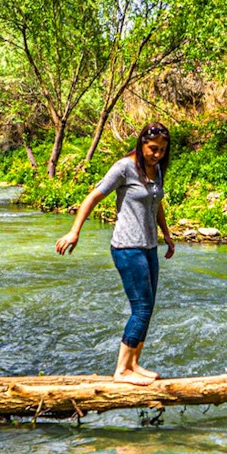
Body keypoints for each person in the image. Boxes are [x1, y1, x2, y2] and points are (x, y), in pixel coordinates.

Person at [55, 123, 175, 386]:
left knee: (148, 308)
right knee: (141, 308)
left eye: (162, 150)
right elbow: (91, 198)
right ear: (141, 143)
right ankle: (121, 371)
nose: (157, 154)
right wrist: (74, 232)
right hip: (127, 247)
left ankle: (134, 364)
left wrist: (166, 234)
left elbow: (157, 203)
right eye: (153, 149)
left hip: (149, 246)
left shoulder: (156, 169)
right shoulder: (124, 167)